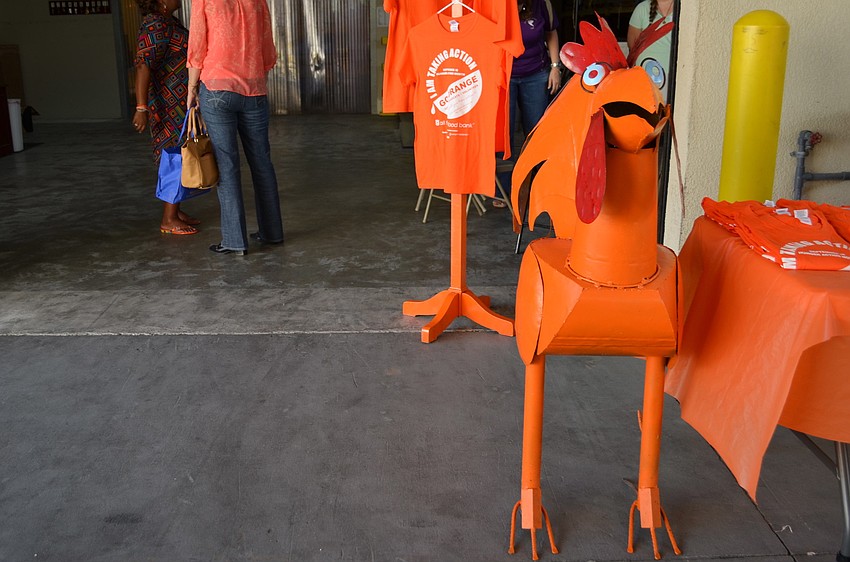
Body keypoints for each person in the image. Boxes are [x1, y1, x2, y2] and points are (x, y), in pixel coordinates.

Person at [186, 0, 283, 256]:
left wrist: (191, 87)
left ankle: (235, 240)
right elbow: (267, 49)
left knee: (227, 164)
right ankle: (272, 233)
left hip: (217, 87)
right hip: (254, 89)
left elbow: (197, 44)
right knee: (262, 162)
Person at [133, 0, 199, 235]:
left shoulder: (169, 22)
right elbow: (143, 65)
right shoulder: (155, 25)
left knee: (181, 154)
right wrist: (141, 108)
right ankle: (168, 218)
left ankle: (176, 210)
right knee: (173, 158)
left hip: (180, 103)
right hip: (168, 105)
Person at [497, 0, 560, 207]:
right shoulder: (494, 5)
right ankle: (504, 190)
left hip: (536, 73)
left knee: (536, 133)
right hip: (503, 76)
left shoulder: (541, 3)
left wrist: (554, 67)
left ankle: (535, 186)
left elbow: (551, 33)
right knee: (504, 133)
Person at [627, 0, 675, 101]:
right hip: (645, 78)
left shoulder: (684, 9)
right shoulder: (642, 8)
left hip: (672, 79)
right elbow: (632, 45)